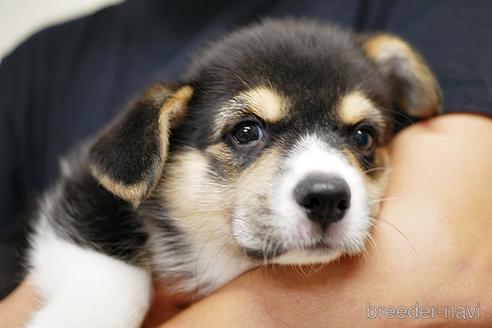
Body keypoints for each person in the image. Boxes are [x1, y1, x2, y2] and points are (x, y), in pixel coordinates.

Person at [1, 0, 491, 326]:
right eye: (247, 133)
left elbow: (459, 266)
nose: (325, 184)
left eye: (361, 136)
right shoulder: (40, 65)